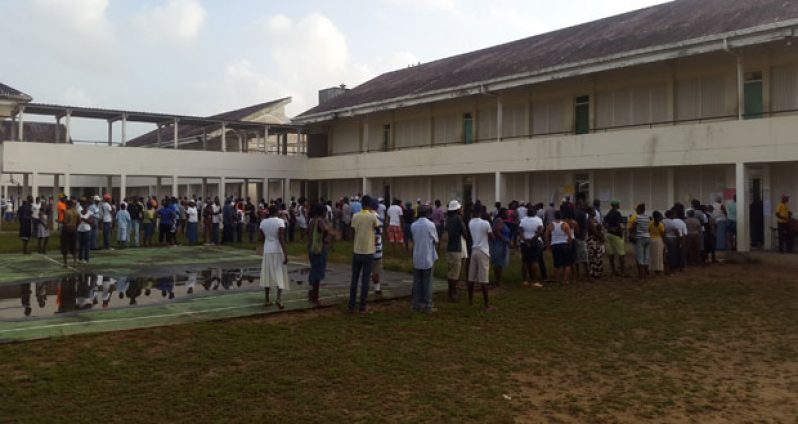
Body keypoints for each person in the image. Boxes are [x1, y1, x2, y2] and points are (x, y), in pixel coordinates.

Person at [348, 195, 378, 313]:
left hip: (357, 250)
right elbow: (376, 227)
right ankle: (362, 306)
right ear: (369, 204)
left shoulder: (355, 216)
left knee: (354, 279)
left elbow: (353, 230)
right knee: (365, 280)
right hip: (368, 251)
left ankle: (351, 306)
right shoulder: (372, 216)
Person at [260, 205, 289, 309]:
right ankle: (279, 299)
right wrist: (286, 253)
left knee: (267, 274)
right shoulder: (280, 222)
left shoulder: (263, 222)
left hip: (267, 250)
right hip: (277, 250)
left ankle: (267, 299)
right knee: (279, 274)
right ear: (277, 212)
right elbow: (281, 238)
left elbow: (262, 238)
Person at [410, 205, 438, 313]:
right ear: (428, 213)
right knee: (427, 281)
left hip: (417, 255)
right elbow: (436, 240)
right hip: (427, 256)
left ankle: (416, 304)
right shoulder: (430, 225)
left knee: (417, 281)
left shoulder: (414, 225)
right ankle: (427, 305)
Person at [467, 204, 494, 311]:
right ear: (481, 212)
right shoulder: (485, 223)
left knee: (471, 277)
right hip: (483, 251)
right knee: (484, 279)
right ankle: (486, 305)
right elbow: (492, 237)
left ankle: (470, 301)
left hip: (474, 250)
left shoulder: (470, 222)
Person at [306, 203, 330, 307]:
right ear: (322, 212)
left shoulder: (311, 221)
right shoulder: (320, 220)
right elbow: (326, 230)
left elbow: (308, 233)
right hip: (319, 249)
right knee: (318, 271)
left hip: (311, 247)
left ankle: (311, 293)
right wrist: (326, 240)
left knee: (314, 269)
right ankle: (315, 296)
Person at [445, 200, 469, 302]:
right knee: (455, 274)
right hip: (457, 248)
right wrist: (467, 239)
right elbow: (464, 232)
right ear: (457, 209)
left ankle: (450, 292)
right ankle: (453, 294)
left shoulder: (448, 219)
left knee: (451, 272)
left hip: (449, 248)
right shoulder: (458, 219)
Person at [545, 211, 573, 284]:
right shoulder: (565, 224)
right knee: (567, 263)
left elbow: (546, 235)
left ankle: (557, 279)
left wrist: (548, 245)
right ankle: (565, 280)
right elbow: (570, 236)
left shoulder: (551, 225)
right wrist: (569, 244)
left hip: (555, 245)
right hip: (564, 244)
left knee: (556, 263)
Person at [519, 206, 544, 287]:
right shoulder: (538, 220)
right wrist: (532, 239)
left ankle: (525, 281)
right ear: (535, 212)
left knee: (525, 261)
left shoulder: (523, 220)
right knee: (534, 261)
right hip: (535, 242)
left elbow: (520, 231)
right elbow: (540, 231)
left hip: (524, 242)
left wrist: (525, 240)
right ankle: (534, 281)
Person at [628, 203, 652, 281]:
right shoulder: (648, 217)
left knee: (640, 258)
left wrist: (631, 234)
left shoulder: (637, 217)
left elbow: (633, 228)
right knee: (646, 257)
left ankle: (641, 277)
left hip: (640, 238)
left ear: (639, 210)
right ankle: (646, 275)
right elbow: (648, 228)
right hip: (647, 237)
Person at [603, 200, 626, 276]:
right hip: (616, 235)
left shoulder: (609, 213)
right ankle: (623, 272)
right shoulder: (617, 213)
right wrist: (621, 233)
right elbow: (620, 225)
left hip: (609, 235)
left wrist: (609, 228)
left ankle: (613, 271)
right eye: (618, 204)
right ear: (616, 205)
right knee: (621, 254)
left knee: (611, 253)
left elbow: (604, 222)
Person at [489, 208, 510, 287]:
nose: (508, 215)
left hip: (499, 244)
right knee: (498, 263)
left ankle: (498, 281)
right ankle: (498, 282)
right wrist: (504, 239)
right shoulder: (500, 220)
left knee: (499, 264)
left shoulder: (499, 220)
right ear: (502, 213)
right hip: (499, 245)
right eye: (506, 213)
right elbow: (496, 230)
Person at [371, 199, 385, 297]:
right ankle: (377, 289)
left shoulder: (364, 216)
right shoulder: (378, 218)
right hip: (376, 248)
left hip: (364, 248)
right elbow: (378, 235)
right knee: (376, 270)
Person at [586, 210, 605, 279]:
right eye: (592, 211)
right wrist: (600, 237)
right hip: (592, 240)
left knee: (597, 256)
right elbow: (594, 231)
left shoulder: (594, 220)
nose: (594, 212)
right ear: (590, 213)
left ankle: (597, 272)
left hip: (596, 240)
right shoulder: (589, 220)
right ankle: (593, 272)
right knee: (593, 257)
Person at [61, 199, 79, 268]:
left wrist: (60, 221)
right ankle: (75, 262)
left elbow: (65, 221)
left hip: (67, 230)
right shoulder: (76, 212)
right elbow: (79, 221)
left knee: (65, 246)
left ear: (68, 205)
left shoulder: (66, 212)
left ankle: (66, 263)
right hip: (74, 229)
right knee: (74, 246)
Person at [649, 210, 666, 275]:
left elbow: (648, 231)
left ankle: (653, 268)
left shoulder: (650, 223)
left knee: (653, 255)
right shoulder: (661, 225)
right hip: (658, 241)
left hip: (651, 240)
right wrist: (665, 243)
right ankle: (658, 270)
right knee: (659, 256)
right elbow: (663, 234)